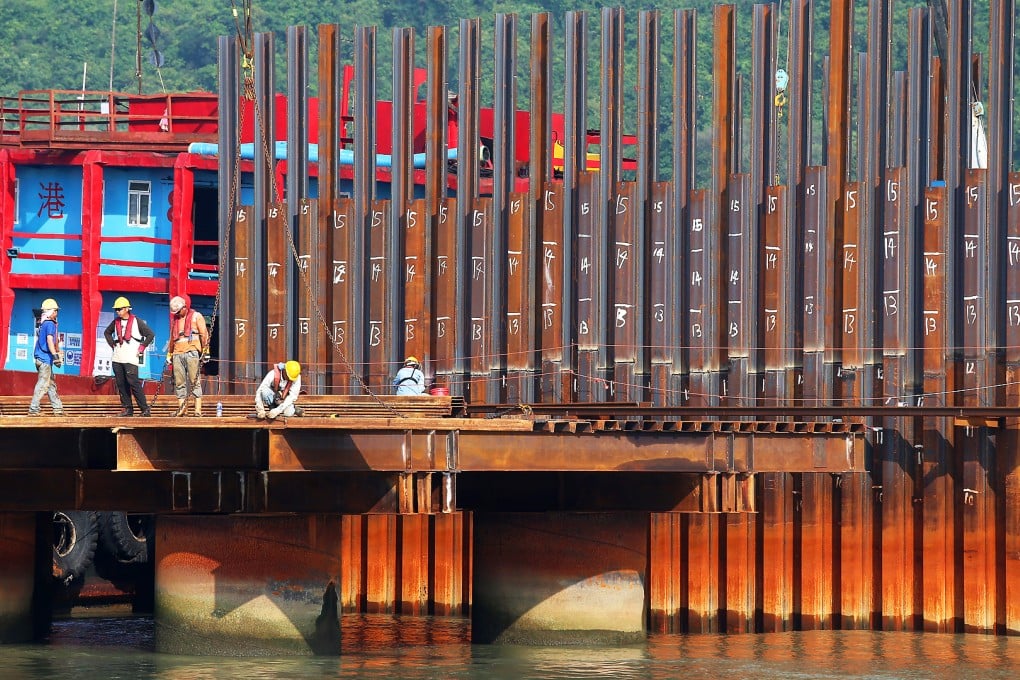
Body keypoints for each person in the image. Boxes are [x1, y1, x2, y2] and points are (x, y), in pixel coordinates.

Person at [103, 296, 155, 417]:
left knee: (133, 382)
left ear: (127, 309)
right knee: (121, 383)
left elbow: (150, 334)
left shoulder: (137, 321)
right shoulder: (116, 322)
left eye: (119, 309)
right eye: (116, 309)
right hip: (118, 356)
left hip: (131, 356)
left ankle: (144, 409)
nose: (117, 311)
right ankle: (128, 409)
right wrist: (112, 344)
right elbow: (107, 333)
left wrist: (142, 347)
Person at [167, 295, 209, 417]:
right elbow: (172, 338)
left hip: (191, 351)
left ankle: (197, 410)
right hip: (177, 353)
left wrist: (206, 351)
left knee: (194, 381)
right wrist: (170, 353)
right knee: (179, 382)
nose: (177, 314)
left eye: (178, 311)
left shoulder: (196, 316)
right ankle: (182, 409)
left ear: (184, 307)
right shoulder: (175, 320)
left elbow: (204, 334)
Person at [28, 298, 64, 416]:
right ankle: (33, 409)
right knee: (43, 385)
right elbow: (49, 341)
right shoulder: (50, 324)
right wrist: (55, 356)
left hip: (40, 359)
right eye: (55, 311)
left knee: (50, 385)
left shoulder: (43, 323)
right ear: (51, 312)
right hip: (45, 360)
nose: (56, 313)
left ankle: (58, 409)